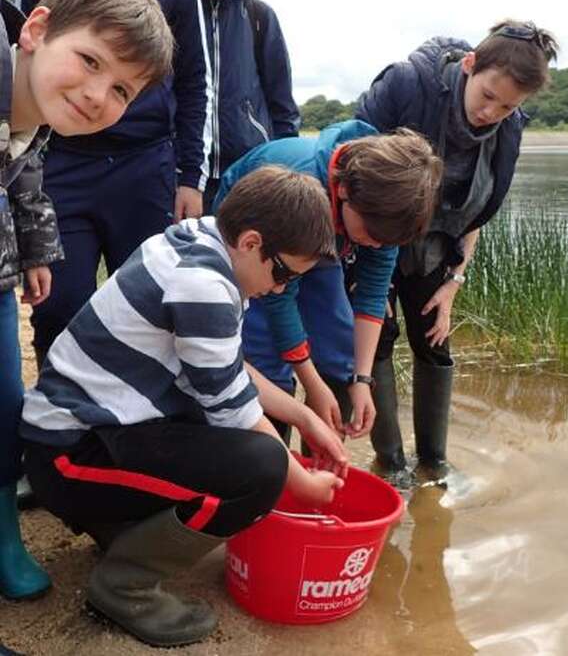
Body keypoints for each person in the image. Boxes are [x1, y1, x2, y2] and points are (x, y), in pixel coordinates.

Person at [20, 166, 346, 648]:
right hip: (69, 455)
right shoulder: (205, 286)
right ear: (253, 242)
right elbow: (233, 408)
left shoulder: (203, 240)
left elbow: (227, 366)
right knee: (262, 468)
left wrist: (306, 416)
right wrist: (301, 484)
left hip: (89, 433)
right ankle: (124, 586)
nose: (279, 289)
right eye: (282, 274)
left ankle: (119, 528)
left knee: (244, 446)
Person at [0, 0, 173, 605]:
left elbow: (22, 175)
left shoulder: (32, 111)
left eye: (123, 89)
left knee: (3, 400)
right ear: (37, 28)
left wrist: (37, 248)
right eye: (92, 61)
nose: (101, 95)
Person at [15, 0, 212, 369]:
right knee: (60, 302)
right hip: (62, 166)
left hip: (145, 166)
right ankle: (57, 421)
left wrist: (190, 176)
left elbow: (196, 83)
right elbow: (22, 75)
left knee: (150, 305)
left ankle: (132, 424)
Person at [355, 20, 559, 480]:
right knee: (378, 341)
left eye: (508, 106)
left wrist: (455, 281)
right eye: (488, 95)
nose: (492, 112)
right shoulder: (407, 85)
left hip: (436, 244)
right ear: (470, 66)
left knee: (435, 341)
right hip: (373, 236)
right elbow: (349, 168)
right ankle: (390, 465)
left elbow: (478, 212)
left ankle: (434, 465)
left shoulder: (509, 129)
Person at [214, 120, 443, 442]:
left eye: (385, 241)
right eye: (373, 236)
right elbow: (279, 296)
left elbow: (373, 292)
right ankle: (270, 456)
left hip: (326, 241)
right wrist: (310, 383)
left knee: (340, 351)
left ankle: (324, 460)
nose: (376, 245)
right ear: (346, 192)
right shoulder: (304, 182)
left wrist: (362, 379)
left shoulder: (387, 206)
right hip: (259, 254)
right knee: (268, 360)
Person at [171, 0, 300, 211]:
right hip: (183, 174)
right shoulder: (172, 13)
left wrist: (281, 164)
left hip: (248, 171)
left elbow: (281, 100)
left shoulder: (259, 15)